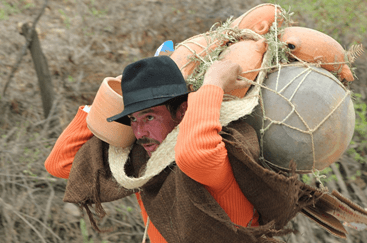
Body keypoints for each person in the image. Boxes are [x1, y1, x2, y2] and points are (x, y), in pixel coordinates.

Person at [45, 56, 324, 242]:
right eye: (133, 120)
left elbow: (192, 154)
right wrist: (106, 99)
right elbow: (60, 164)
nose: (140, 132)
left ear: (183, 112)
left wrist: (213, 83)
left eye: (150, 117)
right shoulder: (144, 162)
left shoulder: (216, 153)